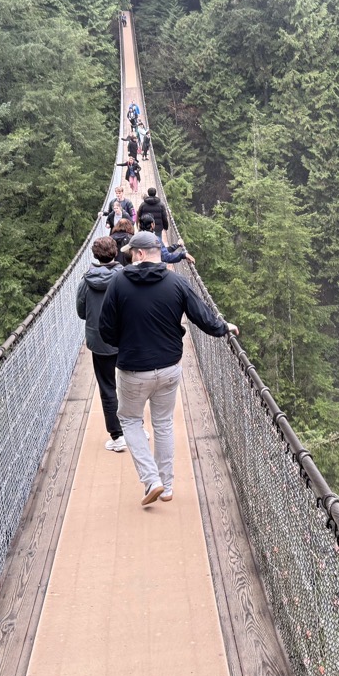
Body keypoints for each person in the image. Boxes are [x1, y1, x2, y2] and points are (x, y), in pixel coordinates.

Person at [99, 231, 238, 505]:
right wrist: (224, 327)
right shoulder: (177, 282)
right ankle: (167, 486)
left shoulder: (118, 283)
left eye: (131, 253)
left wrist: (125, 344)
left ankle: (152, 480)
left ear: (140, 254)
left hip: (133, 369)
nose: (129, 257)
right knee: (163, 423)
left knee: (130, 421)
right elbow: (202, 317)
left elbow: (105, 329)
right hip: (169, 367)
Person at [76, 237, 126, 453]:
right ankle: (136, 428)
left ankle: (117, 436)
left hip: (100, 341)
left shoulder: (86, 281)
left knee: (108, 388)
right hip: (125, 338)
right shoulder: (126, 277)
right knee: (131, 384)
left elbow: (81, 313)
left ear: (95, 255)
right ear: (115, 252)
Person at [121, 216, 193, 266]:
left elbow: (161, 251)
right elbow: (165, 257)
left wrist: (176, 245)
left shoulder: (136, 238)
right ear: (152, 225)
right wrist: (182, 255)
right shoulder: (155, 239)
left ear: (139, 225)